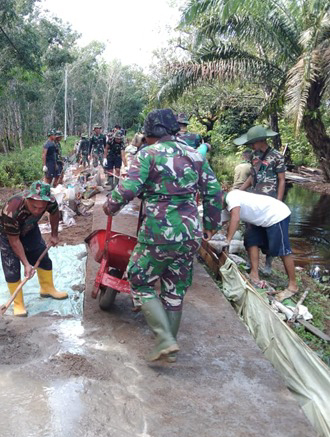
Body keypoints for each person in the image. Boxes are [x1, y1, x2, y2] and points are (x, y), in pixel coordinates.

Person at [103, 109, 222, 362]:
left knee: (140, 279)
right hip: (190, 232)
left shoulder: (148, 154)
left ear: (149, 133)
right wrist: (211, 224)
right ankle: (169, 349)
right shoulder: (194, 154)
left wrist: (110, 205)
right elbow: (213, 190)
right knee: (175, 288)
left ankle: (165, 339)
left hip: (159, 231)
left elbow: (130, 187)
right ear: (174, 130)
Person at [0, 181, 68, 317]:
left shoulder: (50, 202)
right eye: (34, 207)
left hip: (29, 227)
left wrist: (54, 234)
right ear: (27, 199)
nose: (37, 211)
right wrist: (26, 264)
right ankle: (18, 303)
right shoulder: (12, 210)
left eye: (41, 208)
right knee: (12, 266)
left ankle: (47, 288)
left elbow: (54, 213)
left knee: (41, 255)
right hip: (8, 234)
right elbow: (15, 241)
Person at [222, 190, 298, 301]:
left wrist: (228, 240)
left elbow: (236, 218)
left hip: (276, 214)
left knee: (282, 250)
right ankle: (254, 274)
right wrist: (207, 236)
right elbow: (219, 222)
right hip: (259, 220)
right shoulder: (226, 207)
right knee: (251, 240)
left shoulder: (232, 197)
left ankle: (293, 286)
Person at [235, 125, 286, 275]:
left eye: (253, 143)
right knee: (251, 231)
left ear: (261, 140)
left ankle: (268, 264)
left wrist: (279, 201)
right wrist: (240, 191)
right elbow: (252, 176)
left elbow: (282, 180)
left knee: (270, 232)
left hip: (270, 200)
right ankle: (252, 263)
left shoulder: (277, 156)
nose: (251, 146)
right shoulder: (254, 156)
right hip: (254, 199)